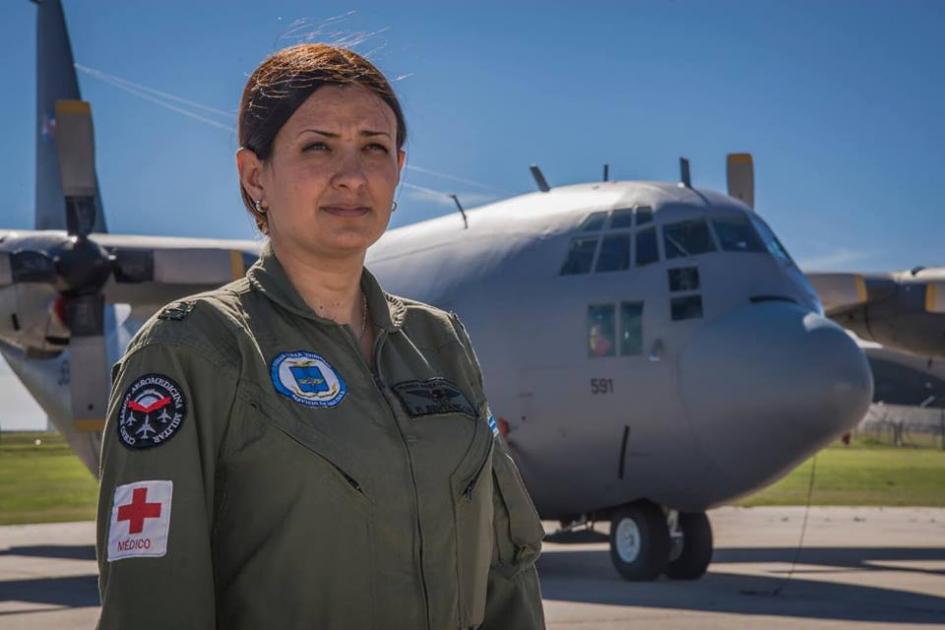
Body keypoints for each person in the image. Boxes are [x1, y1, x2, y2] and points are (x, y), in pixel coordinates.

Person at [94, 43, 546, 629]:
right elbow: (152, 602)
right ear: (255, 175)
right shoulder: (192, 350)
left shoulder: (439, 343)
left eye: (374, 149)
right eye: (318, 147)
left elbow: (505, 566)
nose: (352, 176)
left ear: (399, 171)